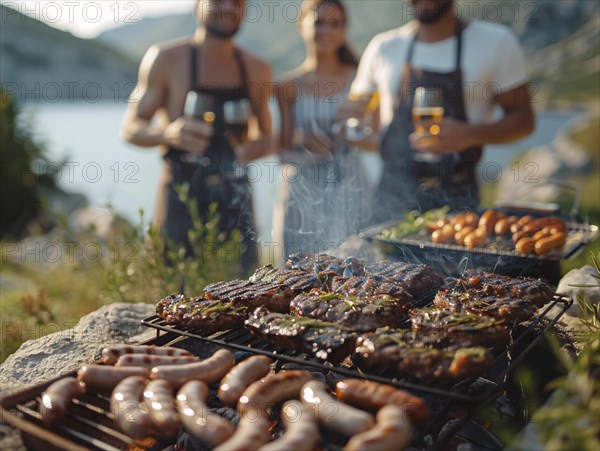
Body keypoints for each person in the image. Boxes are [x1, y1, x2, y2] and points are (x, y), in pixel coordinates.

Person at [339, 0, 535, 221]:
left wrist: (469, 134)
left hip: (460, 210)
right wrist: (360, 133)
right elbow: (353, 117)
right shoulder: (383, 47)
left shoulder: (496, 42)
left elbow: (524, 120)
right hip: (389, 207)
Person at [121, 0, 272, 269]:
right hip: (181, 196)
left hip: (236, 196)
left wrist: (255, 148)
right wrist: (167, 133)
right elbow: (130, 128)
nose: (227, 6)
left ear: (244, 9)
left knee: (247, 291)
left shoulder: (256, 68)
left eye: (236, 2)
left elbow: (268, 137)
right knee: (174, 292)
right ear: (197, 6)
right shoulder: (166, 59)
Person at [273, 0, 372, 262]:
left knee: (356, 271)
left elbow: (376, 138)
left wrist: (350, 135)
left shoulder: (361, 78)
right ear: (301, 25)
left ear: (344, 30)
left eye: (334, 24)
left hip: (350, 188)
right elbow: (282, 153)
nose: (326, 31)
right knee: (299, 273)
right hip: (301, 194)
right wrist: (302, 145)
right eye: (318, 22)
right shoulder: (287, 85)